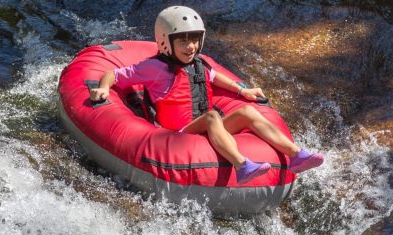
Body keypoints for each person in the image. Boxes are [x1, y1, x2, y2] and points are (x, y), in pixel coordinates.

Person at [88, 6, 324, 184]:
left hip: (206, 127)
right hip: (178, 134)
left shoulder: (199, 64)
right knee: (212, 117)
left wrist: (243, 90)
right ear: (165, 42)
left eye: (194, 40)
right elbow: (115, 74)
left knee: (247, 112)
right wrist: (105, 87)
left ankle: (295, 155)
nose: (190, 46)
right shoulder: (154, 68)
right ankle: (242, 166)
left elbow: (216, 78)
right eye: (183, 41)